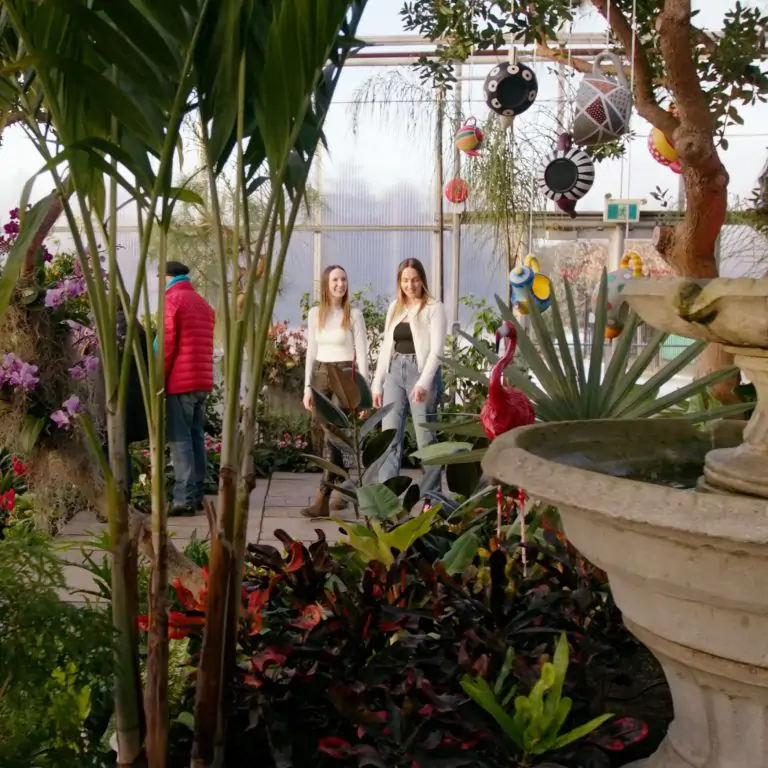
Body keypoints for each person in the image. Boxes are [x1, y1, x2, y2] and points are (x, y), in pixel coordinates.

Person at [372, 257, 446, 498]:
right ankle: (387, 500)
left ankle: (431, 499)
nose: (410, 285)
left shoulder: (434, 307)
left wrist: (424, 382)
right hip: (395, 371)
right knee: (389, 437)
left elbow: (437, 351)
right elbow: (386, 347)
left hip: (421, 372)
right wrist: (377, 383)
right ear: (399, 282)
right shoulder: (395, 307)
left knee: (426, 439)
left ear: (422, 280)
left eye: (414, 280)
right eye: (405, 280)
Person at [301, 264, 369, 519]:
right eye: (335, 280)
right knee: (324, 433)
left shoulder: (354, 315)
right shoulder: (315, 313)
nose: (340, 284)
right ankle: (342, 484)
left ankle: (323, 496)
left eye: (343, 279)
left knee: (335, 434)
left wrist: (365, 390)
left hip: (344, 374)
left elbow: (362, 354)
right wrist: (307, 387)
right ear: (326, 284)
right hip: (320, 372)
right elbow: (310, 350)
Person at [158, 260, 215, 516]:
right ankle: (198, 493)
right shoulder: (202, 303)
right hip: (201, 381)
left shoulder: (172, 301)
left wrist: (157, 378)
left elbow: (166, 345)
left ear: (166, 277)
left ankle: (183, 498)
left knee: (180, 441)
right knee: (195, 439)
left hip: (180, 383)